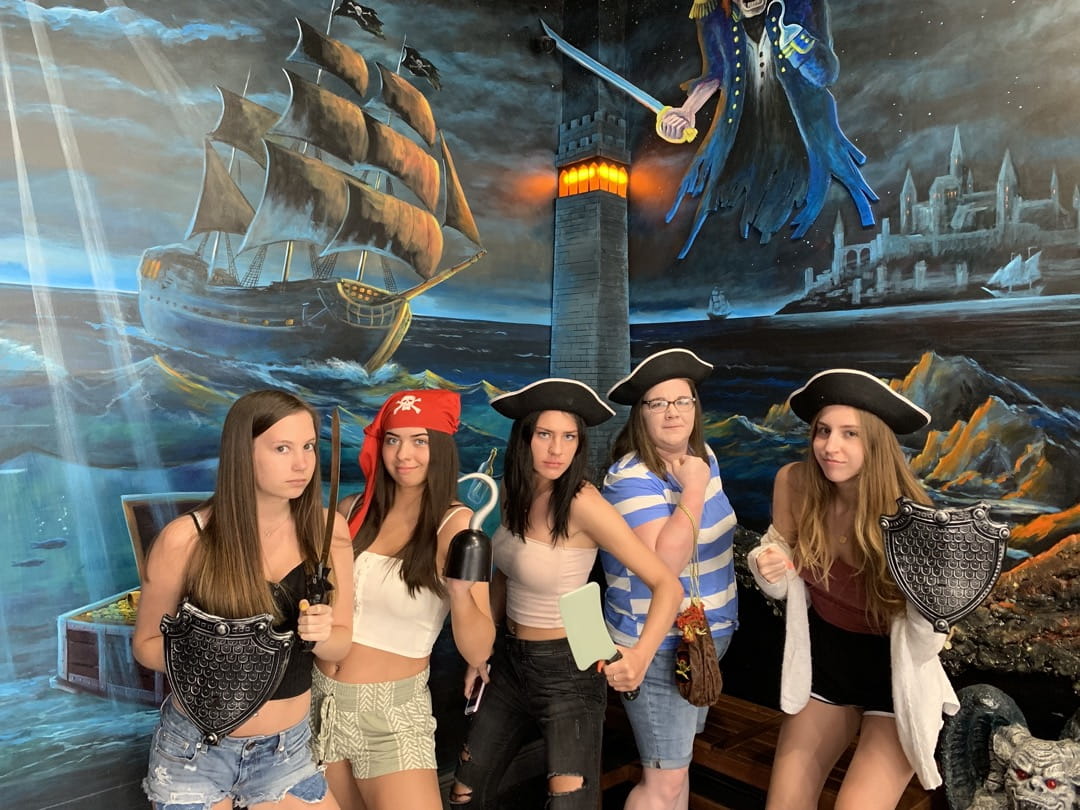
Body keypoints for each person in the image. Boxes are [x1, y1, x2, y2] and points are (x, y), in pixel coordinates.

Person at [449, 378, 683, 810]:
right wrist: (479, 654)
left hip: (570, 665)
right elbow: (504, 577)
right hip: (509, 662)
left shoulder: (582, 503)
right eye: (545, 434)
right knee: (465, 792)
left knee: (569, 802)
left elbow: (667, 584)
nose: (557, 449)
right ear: (525, 438)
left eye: (569, 437)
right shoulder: (514, 491)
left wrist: (640, 656)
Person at [747, 369, 959, 809]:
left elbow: (931, 637)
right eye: (823, 431)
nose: (830, 446)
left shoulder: (911, 517)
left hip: (895, 680)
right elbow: (781, 564)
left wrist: (936, 617)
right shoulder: (794, 483)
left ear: (876, 443)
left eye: (850, 434)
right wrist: (769, 563)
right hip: (826, 667)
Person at [133, 389, 354, 810]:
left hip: (286, 753)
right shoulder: (185, 539)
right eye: (282, 448)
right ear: (242, 452)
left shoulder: (329, 531)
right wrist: (217, 651)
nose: (301, 464)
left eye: (308, 446)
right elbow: (145, 646)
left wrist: (323, 635)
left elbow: (340, 645)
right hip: (195, 755)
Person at [312, 389, 495, 810]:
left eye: (419, 441)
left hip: (391, 717)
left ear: (441, 448)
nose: (403, 454)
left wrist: (460, 592)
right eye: (393, 440)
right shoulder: (351, 509)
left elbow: (479, 650)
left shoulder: (457, 526)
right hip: (321, 705)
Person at [600, 348, 739, 810]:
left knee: (676, 773)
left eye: (682, 400)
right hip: (656, 645)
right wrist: (694, 489)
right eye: (658, 403)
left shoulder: (703, 457)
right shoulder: (628, 478)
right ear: (640, 414)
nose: (673, 412)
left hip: (704, 641)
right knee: (665, 781)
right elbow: (665, 563)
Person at [660, 0, 875, 251]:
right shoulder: (714, 14)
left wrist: (801, 47)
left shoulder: (803, 4)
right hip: (743, 135)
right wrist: (687, 111)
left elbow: (826, 73)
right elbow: (716, 73)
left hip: (802, 133)